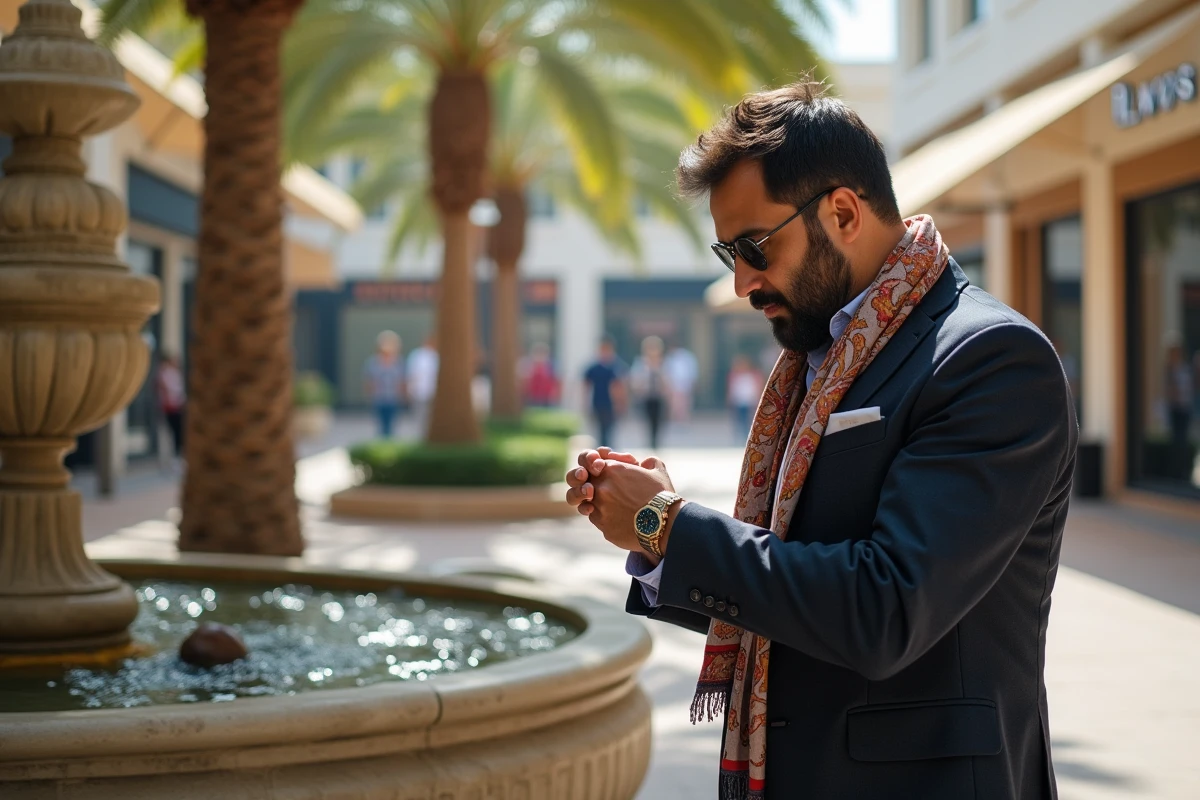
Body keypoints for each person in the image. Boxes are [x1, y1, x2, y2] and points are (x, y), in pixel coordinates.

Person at [565, 81, 1077, 800]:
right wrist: (654, 535)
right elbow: (790, 579)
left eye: (754, 246)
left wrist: (669, 524)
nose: (742, 280)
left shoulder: (990, 360)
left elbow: (887, 609)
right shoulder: (821, 359)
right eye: (727, 253)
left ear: (841, 212)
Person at [582, 336, 626, 448]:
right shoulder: (594, 367)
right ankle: (603, 451)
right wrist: (584, 402)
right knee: (601, 430)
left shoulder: (616, 366)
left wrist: (621, 403)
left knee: (609, 430)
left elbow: (620, 386)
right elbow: (586, 385)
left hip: (611, 404)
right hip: (598, 402)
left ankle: (607, 452)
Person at [363, 331, 404, 439]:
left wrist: (403, 393)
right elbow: (369, 379)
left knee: (391, 425)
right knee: (381, 425)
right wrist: (370, 393)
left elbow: (401, 379)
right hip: (379, 397)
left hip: (393, 397)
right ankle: (382, 444)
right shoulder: (373, 362)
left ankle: (389, 444)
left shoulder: (398, 362)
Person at [726, 355, 765, 441]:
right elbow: (731, 388)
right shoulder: (734, 375)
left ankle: (748, 435)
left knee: (749, 419)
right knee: (739, 419)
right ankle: (739, 437)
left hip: (750, 401)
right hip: (738, 401)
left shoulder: (754, 374)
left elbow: (759, 387)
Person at [406, 335, 439, 436]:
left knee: (431, 416)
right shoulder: (417, 355)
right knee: (420, 416)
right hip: (419, 392)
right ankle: (421, 436)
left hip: (432, 392)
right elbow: (411, 373)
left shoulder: (435, 356)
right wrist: (410, 389)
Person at [155, 353, 186, 459]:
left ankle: (177, 455)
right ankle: (174, 457)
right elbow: (165, 390)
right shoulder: (165, 373)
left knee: (178, 432)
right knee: (174, 432)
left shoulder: (175, 373)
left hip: (176, 406)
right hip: (171, 408)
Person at [664, 344, 699, 422]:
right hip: (675, 386)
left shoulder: (686, 357)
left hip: (684, 385)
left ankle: (683, 420)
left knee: (684, 404)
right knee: (675, 405)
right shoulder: (671, 358)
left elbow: (691, 372)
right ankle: (676, 420)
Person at [522, 342, 560, 408]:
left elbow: (556, 381)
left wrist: (556, 395)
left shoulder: (550, 366)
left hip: (547, 397)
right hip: (532, 397)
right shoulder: (529, 365)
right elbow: (525, 382)